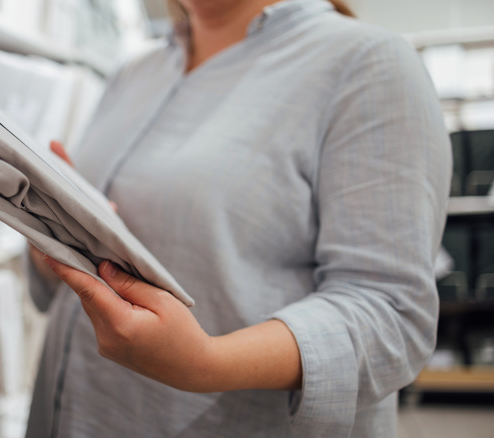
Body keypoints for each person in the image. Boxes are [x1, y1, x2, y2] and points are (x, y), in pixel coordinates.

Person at [24, 0, 451, 436]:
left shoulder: (368, 63)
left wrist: (206, 363)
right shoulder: (134, 72)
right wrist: (57, 237)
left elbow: (392, 313)